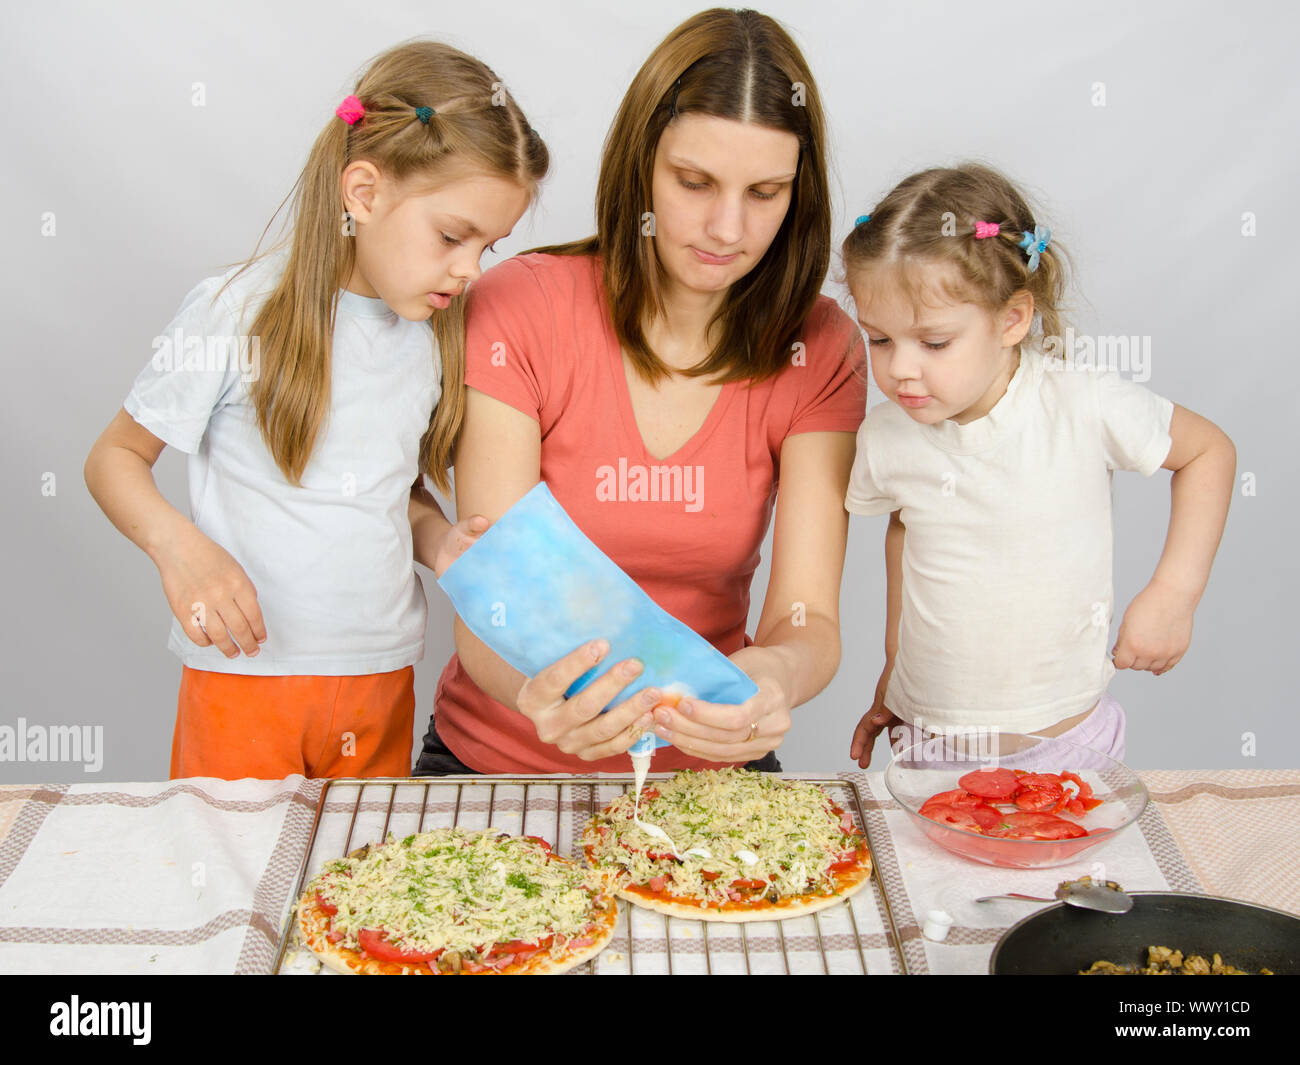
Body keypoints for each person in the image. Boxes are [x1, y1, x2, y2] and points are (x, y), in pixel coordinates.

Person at [411, 9, 867, 776]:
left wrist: (778, 673)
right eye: (694, 183)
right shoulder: (519, 307)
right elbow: (491, 599)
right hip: (497, 763)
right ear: (641, 166)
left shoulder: (820, 348)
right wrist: (542, 699)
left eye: (765, 191)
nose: (727, 227)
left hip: (707, 771)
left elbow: (808, 616)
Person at [84, 40, 547, 780]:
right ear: (362, 193)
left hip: (381, 680)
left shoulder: (429, 337)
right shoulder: (235, 312)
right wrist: (180, 548)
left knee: (356, 885)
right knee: (238, 878)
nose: (471, 270)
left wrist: (440, 545)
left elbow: (394, 492)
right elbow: (114, 459)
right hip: (245, 682)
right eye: (454, 237)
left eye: (489, 246)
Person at [843, 163, 1236, 769]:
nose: (900, 370)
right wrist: (897, 670)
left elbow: (1209, 451)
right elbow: (905, 537)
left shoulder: (1080, 403)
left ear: (1011, 320)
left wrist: (1174, 594)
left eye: (935, 342)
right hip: (929, 741)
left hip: (1066, 743)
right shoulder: (889, 436)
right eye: (880, 340)